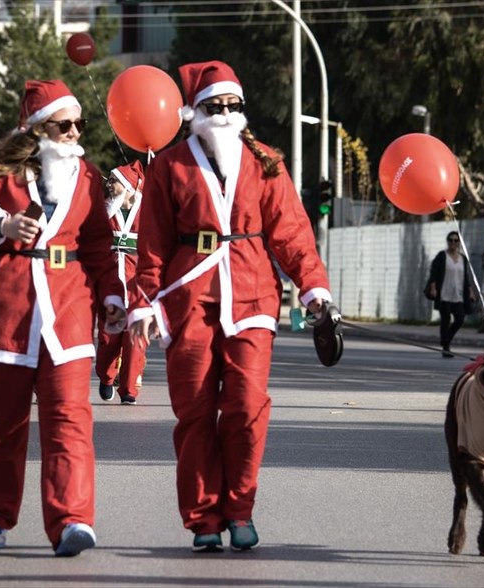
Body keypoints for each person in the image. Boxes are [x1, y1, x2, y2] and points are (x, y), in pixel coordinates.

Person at [127, 61, 333, 552]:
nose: (223, 114)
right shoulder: (170, 166)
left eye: (232, 106)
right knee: (195, 411)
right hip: (187, 297)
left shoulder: (265, 162)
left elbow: (292, 232)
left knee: (245, 406)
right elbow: (150, 241)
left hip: (253, 294)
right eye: (213, 106)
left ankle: (240, 510)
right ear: (194, 111)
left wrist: (313, 288)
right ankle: (203, 519)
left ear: (242, 110)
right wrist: (143, 303)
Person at [0, 79, 124, 557]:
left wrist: (112, 297)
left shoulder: (87, 177)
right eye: (64, 124)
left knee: (70, 421)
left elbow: (101, 249)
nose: (73, 133)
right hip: (5, 315)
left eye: (78, 124)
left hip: (67, 313)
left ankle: (72, 521)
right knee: (0, 424)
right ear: (38, 127)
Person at [95, 161, 146, 405]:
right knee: (108, 338)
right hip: (109, 285)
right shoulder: (104, 211)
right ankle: (106, 377)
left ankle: (128, 390)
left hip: (137, 284)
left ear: (126, 186)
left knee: (136, 337)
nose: (108, 184)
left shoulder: (147, 213)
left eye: (114, 181)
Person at [425, 231, 476, 357]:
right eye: (451, 240)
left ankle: (445, 340)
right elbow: (434, 273)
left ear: (459, 243)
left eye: (456, 240)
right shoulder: (442, 256)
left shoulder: (463, 259)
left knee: (460, 319)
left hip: (458, 295)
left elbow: (466, 277)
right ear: (448, 241)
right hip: (444, 294)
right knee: (445, 320)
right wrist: (433, 288)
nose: (453, 243)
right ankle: (446, 348)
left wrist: (470, 292)